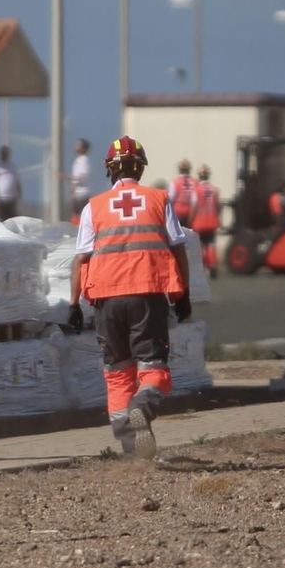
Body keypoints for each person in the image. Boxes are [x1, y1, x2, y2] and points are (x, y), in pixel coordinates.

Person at [68, 136, 191, 459]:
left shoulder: (93, 206)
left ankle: (134, 451)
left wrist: (73, 304)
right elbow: (178, 248)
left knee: (118, 373)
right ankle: (143, 406)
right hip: (147, 295)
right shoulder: (158, 199)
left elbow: (81, 260)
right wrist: (182, 294)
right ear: (140, 169)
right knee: (153, 368)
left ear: (109, 169)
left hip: (106, 302)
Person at [192, 165, 222, 277]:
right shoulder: (215, 190)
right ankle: (213, 265)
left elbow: (194, 207)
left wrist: (191, 221)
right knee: (211, 244)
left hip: (199, 222)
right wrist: (218, 219)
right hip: (212, 221)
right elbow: (218, 206)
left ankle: (201, 266)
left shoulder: (196, 190)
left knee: (200, 245)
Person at [0, 144, 22, 221]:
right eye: (3, 153)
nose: (5, 155)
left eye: (6, 153)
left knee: (11, 219)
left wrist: (19, 194)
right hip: (0, 198)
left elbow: (17, 181)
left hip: (12, 198)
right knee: (1, 218)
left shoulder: (13, 166)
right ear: (0, 154)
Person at [169, 159, 200, 228]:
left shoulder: (175, 182)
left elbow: (171, 199)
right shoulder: (195, 182)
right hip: (192, 213)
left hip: (178, 213)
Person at [69, 138, 95, 218]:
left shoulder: (84, 160)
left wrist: (64, 177)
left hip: (82, 195)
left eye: (79, 145)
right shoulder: (78, 160)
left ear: (83, 148)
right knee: (76, 217)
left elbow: (82, 178)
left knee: (81, 217)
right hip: (77, 195)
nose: (76, 146)